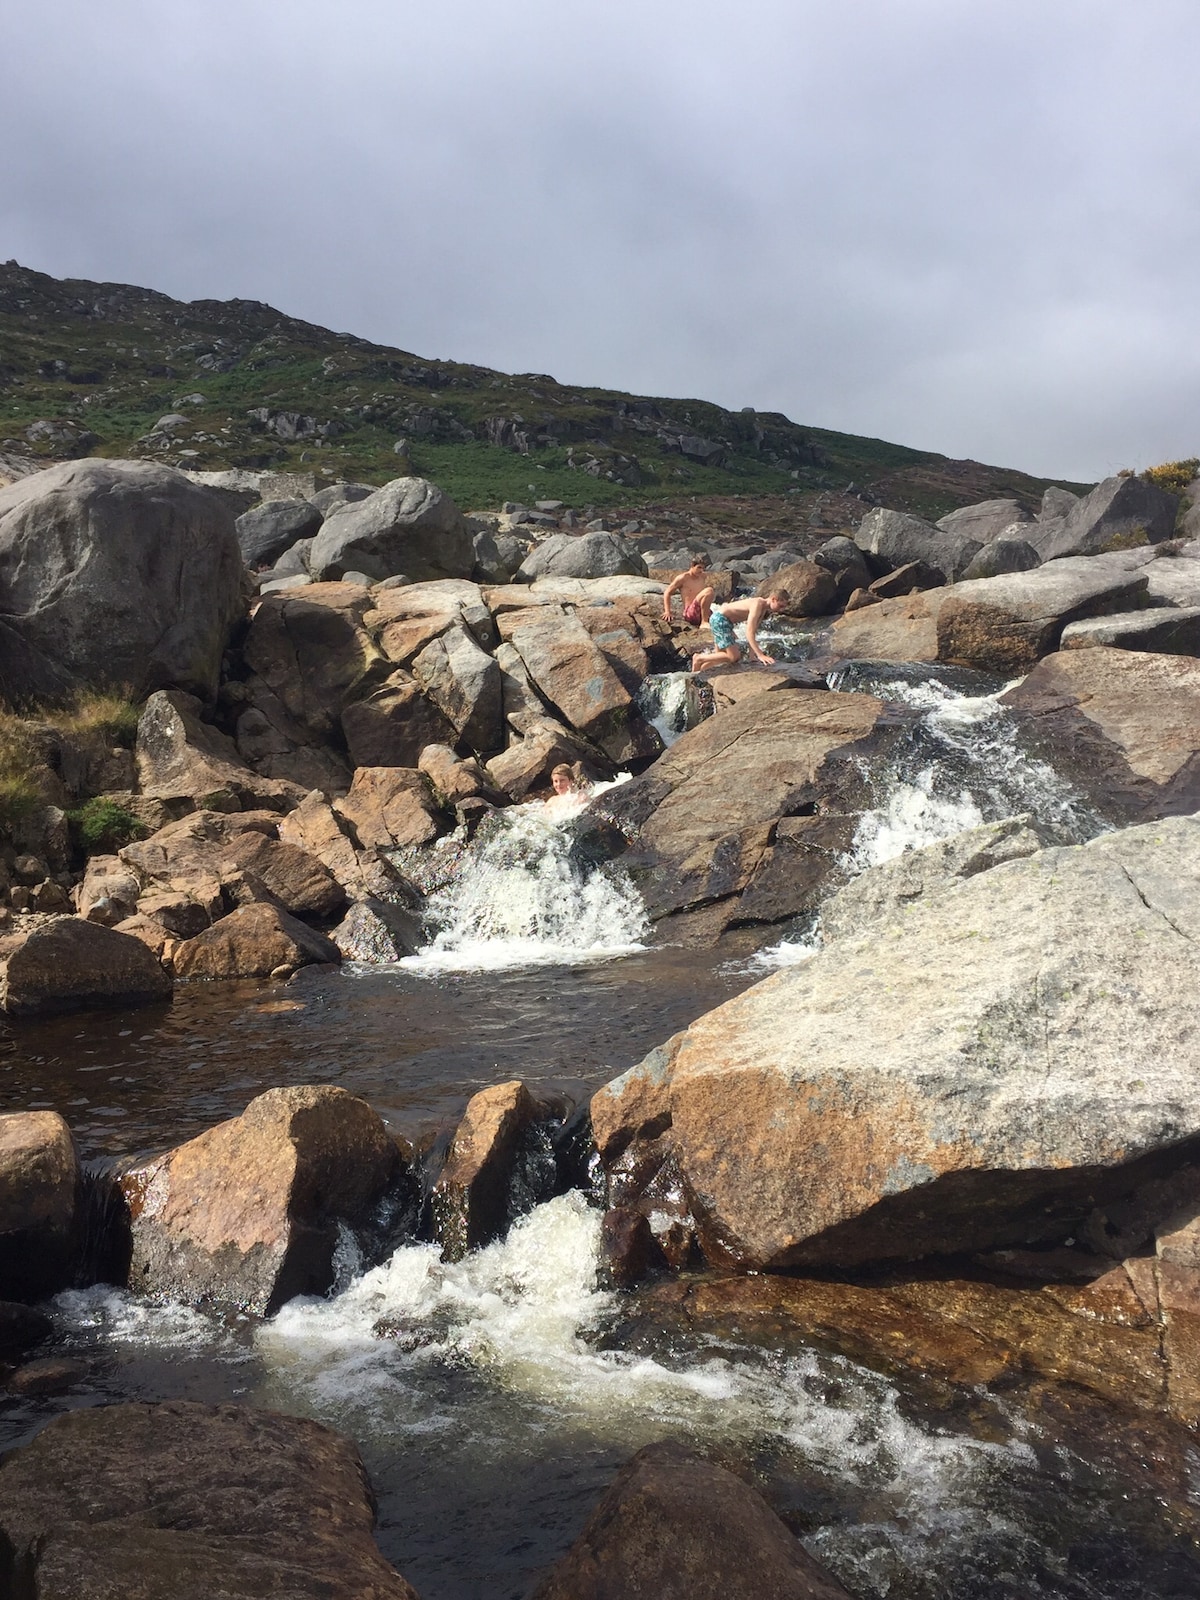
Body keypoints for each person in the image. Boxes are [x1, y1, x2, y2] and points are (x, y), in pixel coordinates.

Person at [690, 591, 789, 671]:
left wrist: (752, 656)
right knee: (734, 657)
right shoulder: (757, 604)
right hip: (720, 620)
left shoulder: (762, 609)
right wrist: (760, 655)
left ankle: (696, 673)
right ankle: (699, 658)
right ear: (773, 599)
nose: (781, 610)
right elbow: (749, 632)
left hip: (723, 621)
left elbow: (753, 631)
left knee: (720, 658)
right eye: (780, 606)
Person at [661, 554, 715, 627]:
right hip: (690, 612)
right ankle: (704, 622)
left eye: (703, 568)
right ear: (692, 566)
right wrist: (667, 611)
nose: (701, 570)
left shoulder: (703, 576)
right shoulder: (683, 578)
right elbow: (667, 592)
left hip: (703, 611)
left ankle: (706, 620)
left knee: (724, 614)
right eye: (699, 567)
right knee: (709, 590)